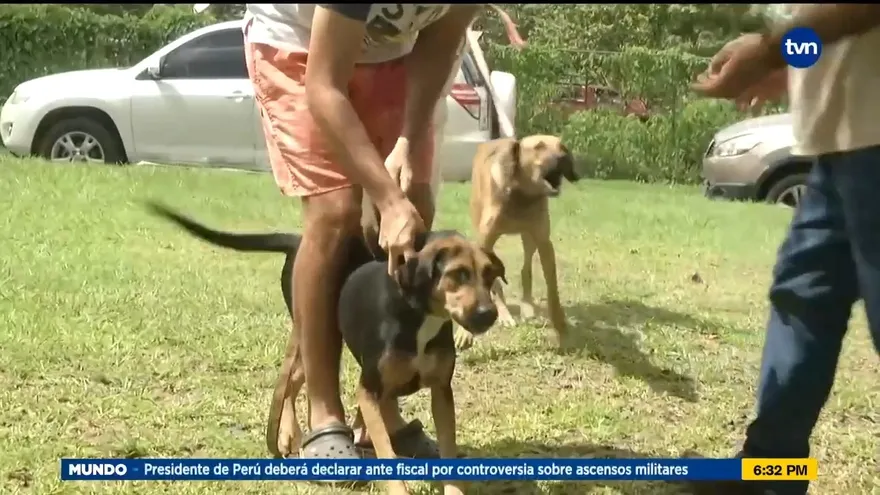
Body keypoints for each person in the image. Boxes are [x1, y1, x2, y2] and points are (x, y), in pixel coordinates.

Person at [243, 4, 482, 459]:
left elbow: (442, 39)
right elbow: (323, 86)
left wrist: (408, 141)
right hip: (298, 44)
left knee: (415, 209)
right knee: (335, 212)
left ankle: (378, 409)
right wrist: (386, 200)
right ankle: (324, 414)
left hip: (392, 53)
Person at [692, 5, 880, 494]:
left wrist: (769, 51)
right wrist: (792, 63)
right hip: (843, 145)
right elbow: (845, 35)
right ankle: (770, 472)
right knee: (802, 300)